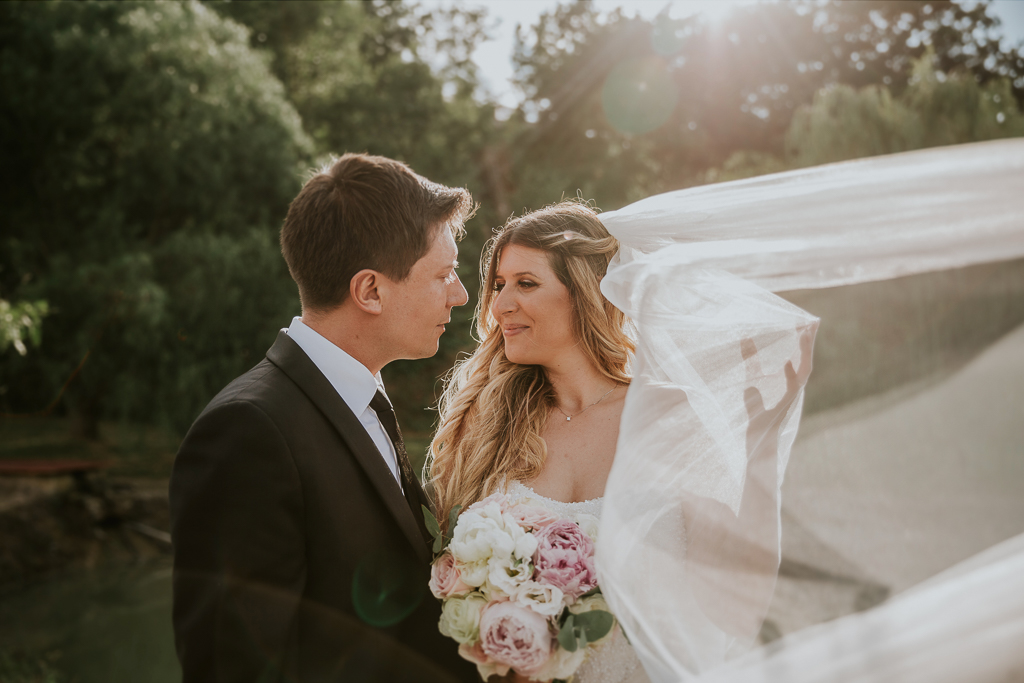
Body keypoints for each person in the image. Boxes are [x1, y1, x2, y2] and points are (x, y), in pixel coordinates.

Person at [427, 201, 815, 683]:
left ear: (588, 292)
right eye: (499, 284)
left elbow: (734, 607)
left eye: (526, 283)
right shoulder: (487, 426)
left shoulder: (669, 415)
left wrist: (760, 447)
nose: (500, 304)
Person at [170, 153, 480, 682]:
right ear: (370, 291)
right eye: (444, 274)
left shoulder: (362, 399)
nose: (460, 293)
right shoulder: (247, 431)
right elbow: (233, 665)